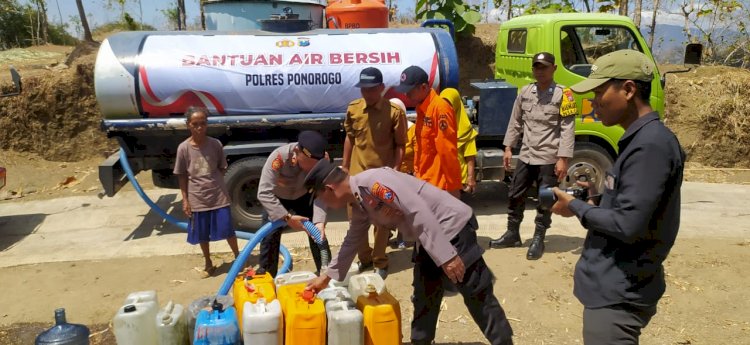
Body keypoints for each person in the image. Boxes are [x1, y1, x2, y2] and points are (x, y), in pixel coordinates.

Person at [550, 50, 685, 344]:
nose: (594, 102)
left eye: (600, 92)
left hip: (620, 293)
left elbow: (628, 224)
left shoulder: (651, 146)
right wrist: (595, 200)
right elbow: (633, 208)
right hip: (613, 285)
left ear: (628, 89)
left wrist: (575, 206)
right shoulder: (639, 140)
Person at [303, 159, 514, 345]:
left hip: (452, 229)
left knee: (476, 292)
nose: (326, 205)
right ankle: (420, 341)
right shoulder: (359, 201)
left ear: (330, 188)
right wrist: (326, 277)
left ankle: (503, 342)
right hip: (427, 237)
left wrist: (447, 255)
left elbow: (417, 210)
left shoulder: (374, 183)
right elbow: (352, 240)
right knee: (425, 292)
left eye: (322, 198)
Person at [489, 52, 575, 260]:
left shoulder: (565, 95)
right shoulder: (526, 92)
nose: (540, 71)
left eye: (544, 67)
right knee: (514, 193)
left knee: (545, 199)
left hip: (549, 157)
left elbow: (567, 128)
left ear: (554, 69)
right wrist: (508, 147)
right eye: (536, 67)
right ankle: (513, 233)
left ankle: (538, 238)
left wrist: (563, 159)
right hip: (526, 155)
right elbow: (515, 121)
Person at [342, 67, 407, 279]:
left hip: (382, 177)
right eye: (363, 89)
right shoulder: (353, 110)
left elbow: (400, 145)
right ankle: (365, 258)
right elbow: (350, 138)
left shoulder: (394, 113)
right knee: (356, 222)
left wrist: (396, 171)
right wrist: (344, 166)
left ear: (380, 88)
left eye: (371, 89)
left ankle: (380, 261)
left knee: (382, 222)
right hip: (356, 176)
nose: (366, 93)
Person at [173, 106, 239, 278]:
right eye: (195, 124)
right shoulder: (183, 149)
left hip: (218, 195)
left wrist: (215, 183)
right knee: (202, 234)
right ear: (189, 125)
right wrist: (185, 200)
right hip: (197, 198)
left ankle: (239, 259)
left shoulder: (215, 144)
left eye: (203, 123)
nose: (199, 127)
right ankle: (208, 263)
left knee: (228, 230)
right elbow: (181, 175)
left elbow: (222, 168)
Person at [257, 130, 333, 276]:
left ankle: (326, 274)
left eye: (315, 167)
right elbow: (264, 192)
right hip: (278, 199)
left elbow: (321, 193)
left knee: (318, 234)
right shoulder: (279, 157)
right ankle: (267, 277)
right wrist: (287, 218)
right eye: (309, 164)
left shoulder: (323, 160)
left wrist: (319, 222)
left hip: (303, 196)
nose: (312, 169)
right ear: (297, 152)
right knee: (269, 237)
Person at [395, 65, 462, 198]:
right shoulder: (422, 109)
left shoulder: (440, 109)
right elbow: (421, 148)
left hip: (440, 186)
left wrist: (453, 186)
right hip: (425, 181)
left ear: (424, 87)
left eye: (409, 91)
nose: (406, 95)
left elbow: (447, 150)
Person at [440, 88, 479, 194]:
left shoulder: (466, 130)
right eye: (444, 103)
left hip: (458, 181)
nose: (447, 108)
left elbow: (470, 157)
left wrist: (470, 178)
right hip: (441, 180)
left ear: (456, 104)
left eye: (450, 104)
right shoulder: (439, 125)